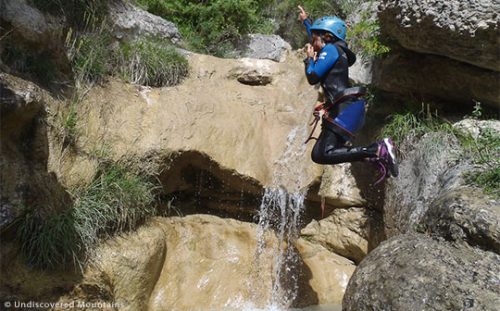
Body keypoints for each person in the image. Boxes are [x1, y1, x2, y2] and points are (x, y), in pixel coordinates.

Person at [298, 5, 398, 183]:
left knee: (322, 153)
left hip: (343, 111)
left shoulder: (330, 50)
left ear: (327, 37)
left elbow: (312, 77)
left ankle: (376, 149)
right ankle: (372, 155)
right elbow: (319, 37)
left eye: (315, 38)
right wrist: (306, 22)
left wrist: (308, 60)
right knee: (319, 154)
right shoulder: (336, 49)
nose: (312, 43)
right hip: (348, 110)